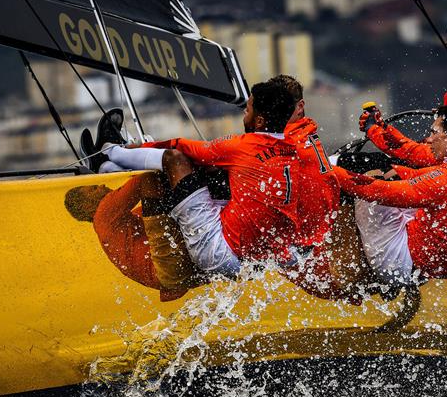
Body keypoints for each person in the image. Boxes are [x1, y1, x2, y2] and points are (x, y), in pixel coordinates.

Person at [100, 81, 302, 277]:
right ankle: (112, 167)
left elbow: (180, 146)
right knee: (215, 170)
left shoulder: (242, 146)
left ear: (259, 122)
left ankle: (111, 152)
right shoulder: (294, 151)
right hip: (252, 260)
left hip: (216, 253)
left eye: (248, 110)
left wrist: (128, 150)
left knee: (175, 160)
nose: (244, 113)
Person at [332, 104, 447, 288]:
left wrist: (325, 170)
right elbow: (430, 176)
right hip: (433, 263)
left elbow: (377, 191)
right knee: (387, 172)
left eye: (434, 132)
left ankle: (350, 269)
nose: (429, 139)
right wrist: (396, 171)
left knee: (369, 178)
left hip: (399, 265)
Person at [64, 172, 205, 302]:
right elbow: (144, 181)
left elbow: (155, 202)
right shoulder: (103, 213)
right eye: (94, 188)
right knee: (151, 179)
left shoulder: (114, 227)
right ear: (87, 206)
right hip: (167, 267)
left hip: (174, 281)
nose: (102, 185)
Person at [268, 74, 340, 250]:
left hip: (298, 249)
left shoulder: (286, 143)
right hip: (319, 243)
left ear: (300, 106)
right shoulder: (308, 132)